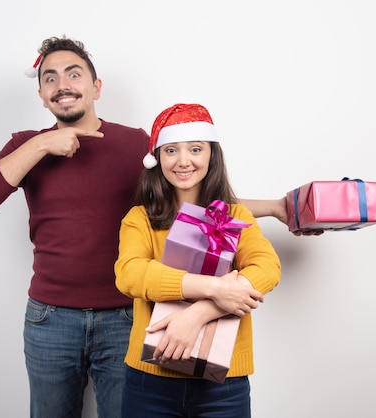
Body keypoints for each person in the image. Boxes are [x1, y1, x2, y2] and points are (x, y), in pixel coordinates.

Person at [0, 36, 291, 418]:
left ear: (96, 87)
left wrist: (277, 208)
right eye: (50, 78)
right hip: (50, 319)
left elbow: (194, 202)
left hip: (126, 317)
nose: (63, 84)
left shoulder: (135, 144)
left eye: (74, 73)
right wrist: (41, 146)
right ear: (40, 94)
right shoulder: (26, 146)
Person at [114, 103, 282, 417]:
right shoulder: (140, 219)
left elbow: (267, 267)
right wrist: (216, 288)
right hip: (149, 382)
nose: (183, 161)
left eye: (195, 149)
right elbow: (130, 274)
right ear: (157, 159)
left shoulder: (234, 215)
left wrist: (198, 314)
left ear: (211, 155)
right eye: (171, 151)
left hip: (223, 386)